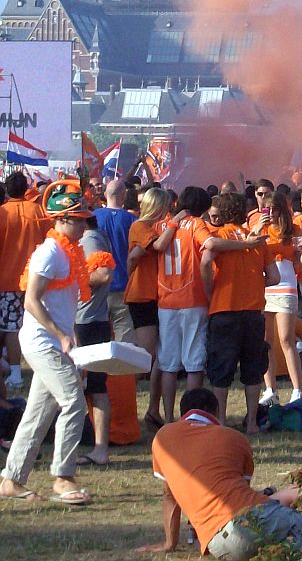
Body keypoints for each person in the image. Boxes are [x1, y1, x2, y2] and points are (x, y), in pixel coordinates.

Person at [147, 387, 302, 558]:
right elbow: (242, 499)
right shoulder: (233, 437)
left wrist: (170, 543)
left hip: (216, 543)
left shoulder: (163, 437)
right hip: (248, 522)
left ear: (182, 412)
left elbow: (169, 496)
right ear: (216, 411)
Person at [0, 192, 93, 505]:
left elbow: (63, 304)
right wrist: (60, 334)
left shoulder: (69, 252)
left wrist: (70, 335)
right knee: (74, 402)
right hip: (42, 342)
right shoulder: (50, 252)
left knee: (38, 412)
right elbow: (31, 300)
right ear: (62, 219)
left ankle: (11, 480)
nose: (85, 224)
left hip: (55, 341)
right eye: (79, 219)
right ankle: (63, 477)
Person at [201, 193, 277, 430]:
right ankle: (252, 422)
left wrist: (209, 288)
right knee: (253, 369)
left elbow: (205, 261)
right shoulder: (257, 240)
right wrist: (252, 281)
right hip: (253, 310)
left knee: (221, 369)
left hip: (224, 308)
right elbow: (274, 277)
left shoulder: (219, 235)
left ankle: (221, 420)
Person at [154, 186, 212, 422]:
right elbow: (208, 244)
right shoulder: (197, 224)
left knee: (168, 363)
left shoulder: (162, 225)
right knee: (193, 362)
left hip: (166, 300)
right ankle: (191, 417)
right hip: (193, 298)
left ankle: (168, 418)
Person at [124, 187, 177, 429]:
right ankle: (119, 399)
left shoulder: (157, 226)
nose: (169, 210)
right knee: (145, 357)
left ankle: (153, 410)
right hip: (142, 295)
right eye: (166, 205)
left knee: (160, 356)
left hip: (159, 295)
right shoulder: (141, 226)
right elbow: (139, 254)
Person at [251, 191, 302, 404]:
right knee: (266, 341)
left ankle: (297, 389)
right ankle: (270, 389)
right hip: (265, 284)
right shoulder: (260, 227)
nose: (270, 213)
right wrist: (256, 229)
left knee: (285, 338)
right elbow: (249, 247)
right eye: (267, 209)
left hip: (286, 283)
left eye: (274, 209)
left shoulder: (293, 230)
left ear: (282, 210)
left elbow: (301, 263)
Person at [74, 214, 117, 467]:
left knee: (91, 386)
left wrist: (68, 281)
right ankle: (96, 447)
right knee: (92, 387)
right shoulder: (92, 237)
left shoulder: (89, 239)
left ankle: (99, 448)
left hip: (87, 322)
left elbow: (102, 275)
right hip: (91, 320)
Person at [0, 171, 49, 390]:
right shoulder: (37, 210)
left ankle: (16, 372)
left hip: (8, 279)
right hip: (35, 279)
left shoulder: (2, 213)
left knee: (11, 327)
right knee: (32, 325)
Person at [93, 179, 137, 343]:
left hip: (97, 283)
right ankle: (121, 368)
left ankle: (97, 367)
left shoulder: (93, 217)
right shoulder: (132, 220)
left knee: (98, 331)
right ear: (124, 196)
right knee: (124, 332)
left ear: (105, 195)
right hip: (123, 283)